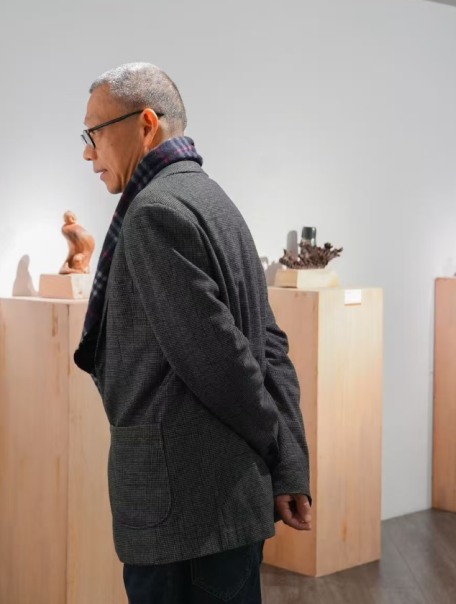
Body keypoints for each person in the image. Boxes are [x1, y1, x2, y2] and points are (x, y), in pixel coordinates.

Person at [74, 63, 312, 603]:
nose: (88, 154)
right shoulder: (215, 200)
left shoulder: (152, 214)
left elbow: (222, 365)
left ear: (146, 124)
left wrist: (279, 454)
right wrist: (290, 463)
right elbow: (270, 345)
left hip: (185, 519)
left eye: (95, 134)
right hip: (222, 509)